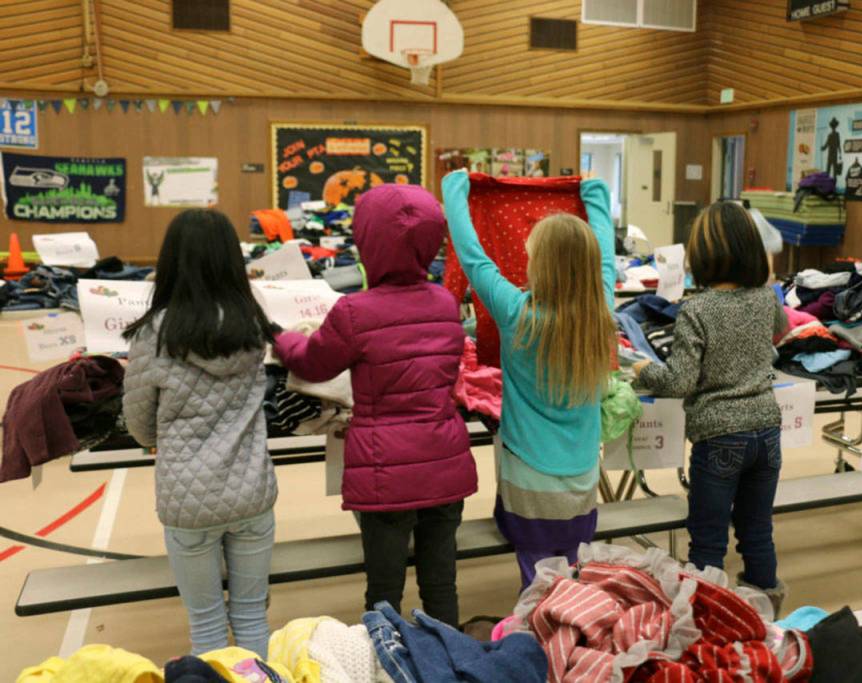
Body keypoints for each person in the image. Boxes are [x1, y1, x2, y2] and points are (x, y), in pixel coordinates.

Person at [274, 184, 476, 627]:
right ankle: (447, 667)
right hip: (444, 462)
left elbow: (313, 364)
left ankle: (387, 667)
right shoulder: (445, 302)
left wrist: (283, 336)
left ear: (369, 241)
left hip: (386, 473)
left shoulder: (354, 312)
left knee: (384, 593)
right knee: (441, 584)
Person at [441, 170, 617, 589]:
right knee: (573, 579)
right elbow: (606, 255)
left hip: (527, 485)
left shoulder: (517, 314)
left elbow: (473, 257)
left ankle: (535, 642)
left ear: (541, 265)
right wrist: (594, 192)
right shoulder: (601, 312)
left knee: (534, 582)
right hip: (582, 483)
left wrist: (455, 188)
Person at [122, 209, 278, 657]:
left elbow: (139, 423)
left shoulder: (154, 332)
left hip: (186, 498)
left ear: (171, 261)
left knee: (206, 623)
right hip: (251, 491)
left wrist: (160, 435)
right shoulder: (251, 324)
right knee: (251, 615)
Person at [633, 201, 789, 615]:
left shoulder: (696, 309)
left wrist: (645, 368)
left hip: (719, 437)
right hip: (767, 431)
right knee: (758, 532)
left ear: (700, 255)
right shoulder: (764, 298)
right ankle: (766, 615)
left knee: (708, 540)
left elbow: (680, 381)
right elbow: (782, 332)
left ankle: (707, 619)